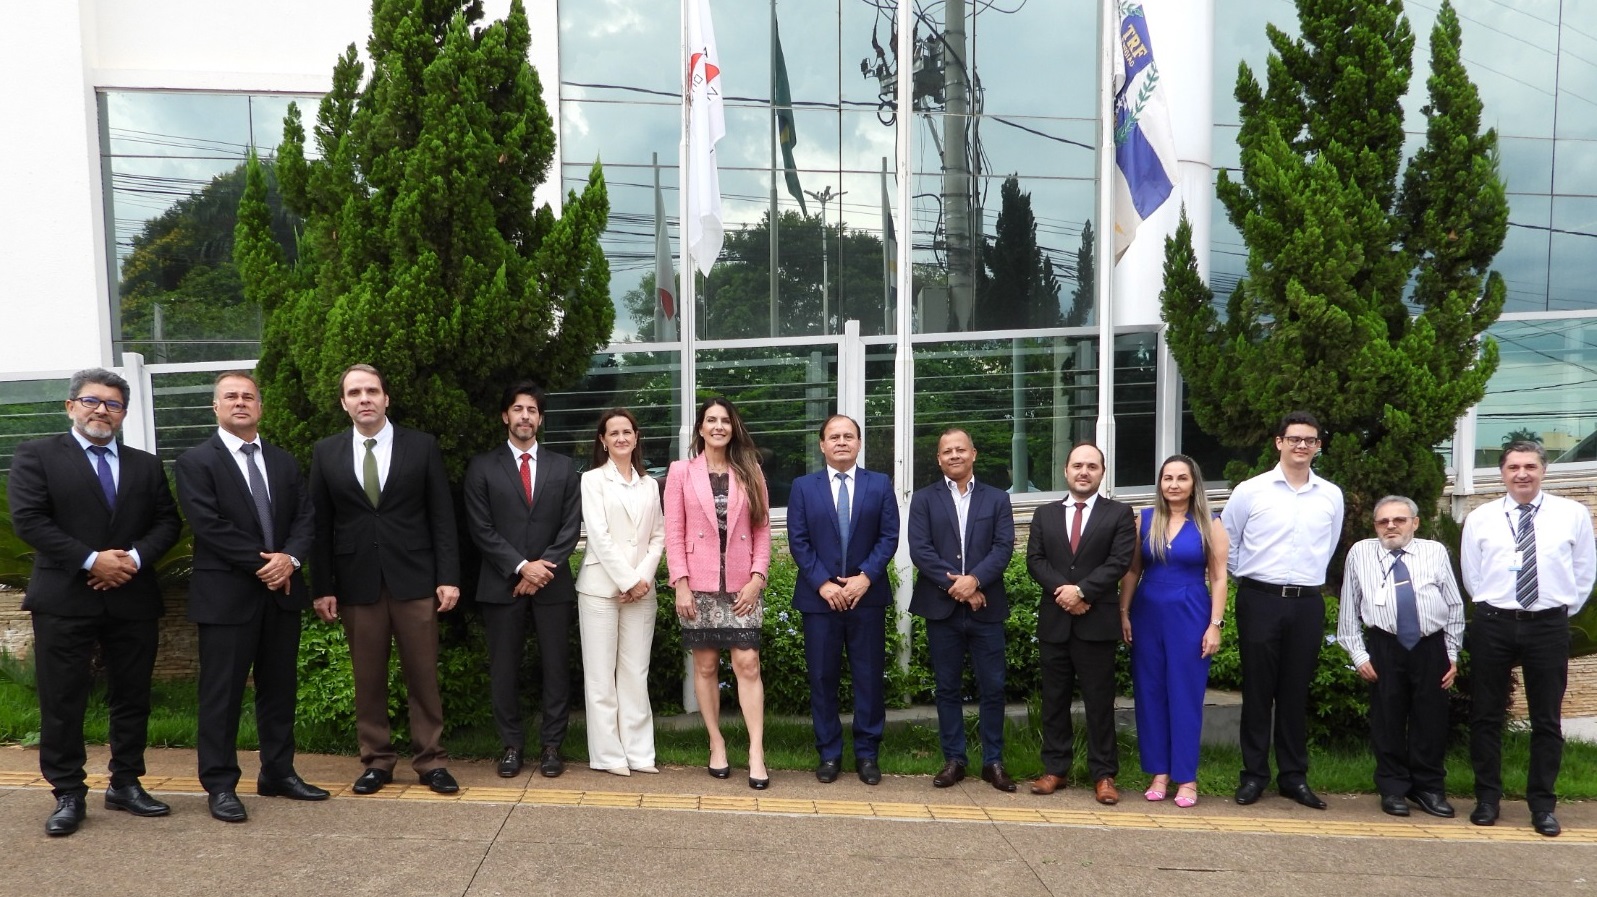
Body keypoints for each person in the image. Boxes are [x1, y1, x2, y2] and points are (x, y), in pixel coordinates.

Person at [8, 367, 182, 836]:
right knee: (62, 700)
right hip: (64, 599)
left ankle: (126, 783)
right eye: (91, 401)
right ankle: (67, 792)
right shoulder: (37, 455)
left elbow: (168, 522)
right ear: (71, 406)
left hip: (132, 596)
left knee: (132, 697)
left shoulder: (146, 465)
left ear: (124, 413)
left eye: (112, 404)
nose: (101, 410)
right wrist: (91, 561)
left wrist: (132, 560)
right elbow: (29, 520)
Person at [174, 371, 329, 824]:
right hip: (227, 597)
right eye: (230, 397)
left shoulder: (282, 461)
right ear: (216, 408)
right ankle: (220, 784)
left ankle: (278, 772)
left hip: (281, 594)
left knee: (279, 690)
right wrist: (267, 564)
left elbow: (306, 517)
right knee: (221, 695)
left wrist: (292, 560)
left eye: (248, 396)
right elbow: (209, 525)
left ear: (260, 407)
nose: (240, 402)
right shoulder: (196, 462)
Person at [308, 363, 461, 795]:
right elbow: (320, 525)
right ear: (343, 403)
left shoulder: (422, 446)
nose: (364, 399)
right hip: (358, 584)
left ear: (386, 398)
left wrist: (448, 576)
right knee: (368, 677)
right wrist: (323, 586)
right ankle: (376, 761)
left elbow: (442, 517)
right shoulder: (327, 452)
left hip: (415, 581)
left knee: (423, 675)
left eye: (371, 391)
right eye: (354, 393)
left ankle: (431, 761)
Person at [1460, 440, 1595, 837]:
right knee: (1485, 715)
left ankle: (1542, 805)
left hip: (1548, 625)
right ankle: (1487, 799)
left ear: (1543, 470)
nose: (1522, 474)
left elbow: (1584, 570)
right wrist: (1498, 608)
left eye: (1530, 466)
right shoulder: (1481, 517)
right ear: (1502, 473)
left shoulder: (1572, 514)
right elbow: (1473, 574)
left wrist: (1556, 610)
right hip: (1493, 624)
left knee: (1546, 719)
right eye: (1514, 467)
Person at [1222, 410, 1343, 809]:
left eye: (1310, 440)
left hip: (1306, 603)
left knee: (1295, 693)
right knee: (1257, 692)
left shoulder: (1330, 495)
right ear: (1279, 442)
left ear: (1318, 446)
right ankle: (1254, 776)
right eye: (1294, 439)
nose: (1302, 446)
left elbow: (1328, 547)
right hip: (1259, 600)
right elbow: (1228, 543)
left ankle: (1294, 777)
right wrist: (1251, 579)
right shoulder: (1250, 491)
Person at [463, 382, 583, 779]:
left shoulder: (563, 467)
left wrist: (541, 568)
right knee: (504, 669)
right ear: (505, 416)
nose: (525, 417)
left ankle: (552, 746)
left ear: (540, 419)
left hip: (552, 585)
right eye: (518, 409)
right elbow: (480, 528)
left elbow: (570, 527)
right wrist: (519, 567)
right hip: (501, 584)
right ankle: (512, 745)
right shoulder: (482, 466)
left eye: (532, 410)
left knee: (555, 668)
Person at [664, 397, 773, 789]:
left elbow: (762, 530)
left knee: (748, 665)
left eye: (725, 420)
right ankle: (716, 743)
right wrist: (680, 584)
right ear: (700, 428)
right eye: (711, 420)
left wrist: (758, 577)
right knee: (706, 666)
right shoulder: (680, 472)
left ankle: (756, 751)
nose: (718, 426)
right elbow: (673, 532)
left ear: (733, 428)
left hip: (743, 585)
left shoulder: (750, 469)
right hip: (699, 586)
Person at [787, 414, 900, 786]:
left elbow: (889, 537)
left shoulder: (879, 484)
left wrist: (865, 578)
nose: (841, 442)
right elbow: (799, 541)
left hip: (865, 598)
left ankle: (868, 755)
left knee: (868, 678)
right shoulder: (803, 487)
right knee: (823, 678)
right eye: (833, 437)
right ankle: (830, 754)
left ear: (859, 443)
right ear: (822, 444)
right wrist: (823, 584)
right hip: (820, 602)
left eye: (848, 436)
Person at [1336, 495, 1464, 819]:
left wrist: (1451, 653)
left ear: (1415, 523)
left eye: (1399, 520)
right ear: (1375, 525)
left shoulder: (1434, 552)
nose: (1391, 526)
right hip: (1385, 645)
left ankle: (1428, 789)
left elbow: (1454, 605)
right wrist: (1358, 654)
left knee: (1431, 720)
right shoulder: (1360, 553)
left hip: (1430, 646)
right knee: (1387, 719)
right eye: (1383, 521)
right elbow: (1348, 606)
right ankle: (1393, 788)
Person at [1026, 442, 1136, 804]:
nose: (1084, 471)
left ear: (1102, 472)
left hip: (1096, 622)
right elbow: (1035, 560)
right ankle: (1055, 770)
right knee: (1054, 700)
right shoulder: (1044, 515)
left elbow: (1119, 561)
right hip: (1056, 621)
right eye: (1077, 465)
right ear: (1065, 471)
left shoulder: (1119, 514)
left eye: (1092, 466)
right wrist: (1064, 591)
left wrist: (1083, 592)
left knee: (1099, 702)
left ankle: (1103, 775)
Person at [907, 428, 1016, 791]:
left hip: (987, 608)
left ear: (974, 454)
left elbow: (1003, 548)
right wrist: (959, 587)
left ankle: (993, 761)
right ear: (938, 459)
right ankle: (954, 759)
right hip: (943, 610)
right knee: (947, 687)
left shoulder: (997, 498)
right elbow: (920, 549)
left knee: (993, 688)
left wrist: (976, 581)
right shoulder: (923, 499)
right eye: (946, 451)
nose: (954, 455)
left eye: (960, 449)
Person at [1119, 454, 1229, 808]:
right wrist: (1124, 611)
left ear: (1194, 483)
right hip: (1148, 611)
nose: (1173, 485)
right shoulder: (1145, 520)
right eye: (1167, 478)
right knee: (1150, 693)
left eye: (1181, 478)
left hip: (1190, 612)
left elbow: (1219, 577)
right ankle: (1159, 773)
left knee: (1185, 695)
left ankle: (1187, 778)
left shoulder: (1210, 524)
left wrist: (1215, 625)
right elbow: (1133, 571)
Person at [573, 408, 664, 776]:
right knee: (600, 677)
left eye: (627, 431)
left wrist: (641, 580)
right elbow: (599, 536)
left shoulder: (651, 484)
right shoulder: (592, 481)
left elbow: (659, 536)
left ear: (636, 436)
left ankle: (640, 754)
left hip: (642, 592)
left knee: (634, 674)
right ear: (603, 440)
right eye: (614, 433)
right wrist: (628, 580)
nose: (622, 438)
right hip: (599, 589)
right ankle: (609, 756)